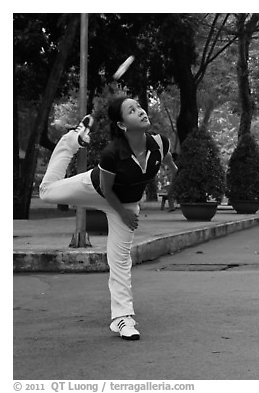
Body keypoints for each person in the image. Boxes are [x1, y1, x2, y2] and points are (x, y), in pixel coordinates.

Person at [39, 96, 178, 340]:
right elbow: (105, 189)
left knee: (121, 260)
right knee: (46, 192)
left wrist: (176, 174)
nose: (141, 112)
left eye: (140, 107)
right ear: (123, 125)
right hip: (96, 189)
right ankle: (70, 140)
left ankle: (123, 319)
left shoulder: (159, 142)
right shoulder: (112, 153)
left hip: (126, 204)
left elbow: (166, 159)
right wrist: (123, 214)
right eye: (132, 111)